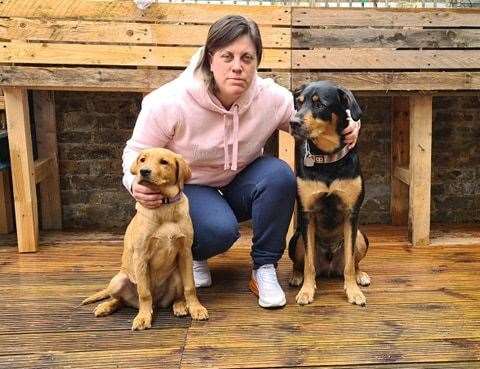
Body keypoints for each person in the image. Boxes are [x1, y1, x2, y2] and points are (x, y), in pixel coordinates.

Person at [122, 15, 360, 308]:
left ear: (257, 62)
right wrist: (134, 183)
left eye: (247, 58)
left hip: (240, 183)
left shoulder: (270, 98)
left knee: (279, 175)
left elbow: (308, 120)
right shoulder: (168, 102)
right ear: (211, 58)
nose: (238, 66)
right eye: (227, 56)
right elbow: (134, 152)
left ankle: (264, 268)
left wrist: (350, 124)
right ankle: (194, 256)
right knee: (220, 230)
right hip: (192, 190)